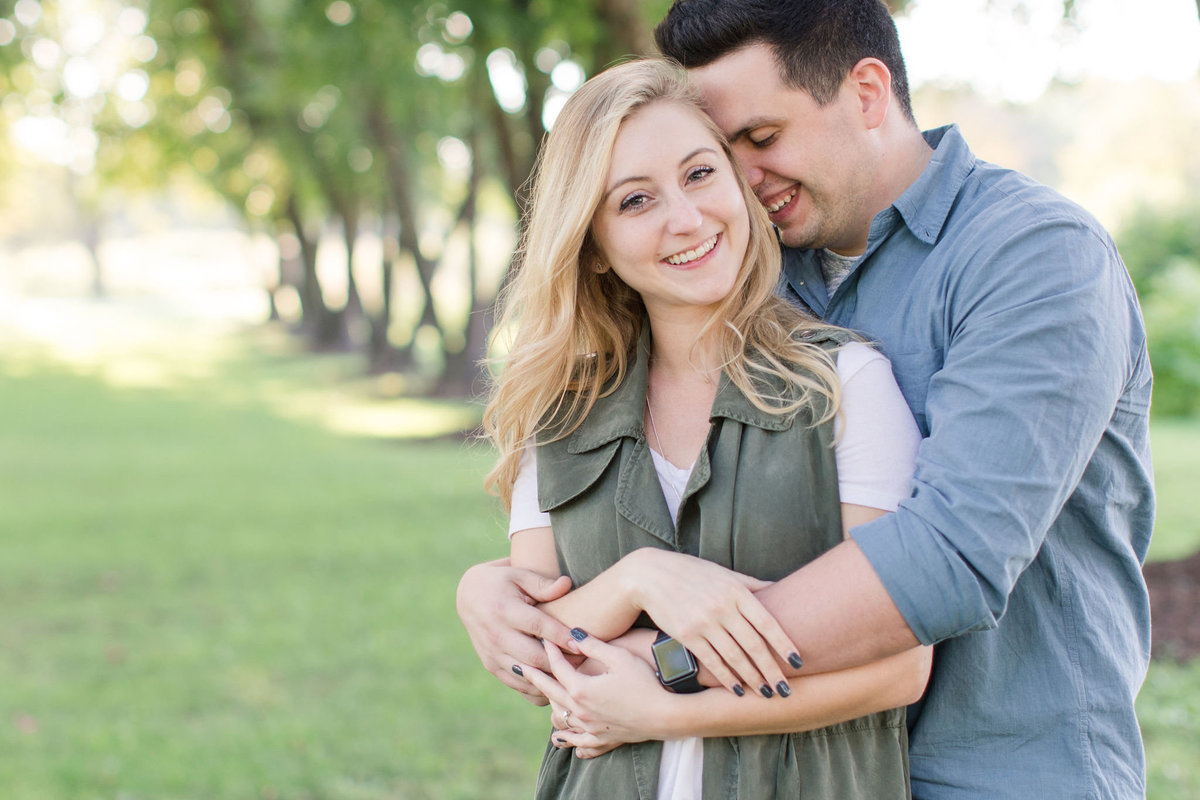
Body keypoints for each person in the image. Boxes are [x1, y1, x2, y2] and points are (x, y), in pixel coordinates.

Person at [458, 1, 1155, 797]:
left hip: (1002, 772)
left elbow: (949, 558)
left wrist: (652, 662)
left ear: (866, 94)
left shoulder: (1034, 258)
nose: (743, 181)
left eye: (760, 139)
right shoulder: (763, 272)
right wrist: (496, 595)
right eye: (727, 152)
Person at [477, 57, 930, 799]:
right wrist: (641, 580)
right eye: (634, 201)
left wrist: (662, 707)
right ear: (592, 248)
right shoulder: (560, 414)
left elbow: (902, 666)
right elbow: (534, 652)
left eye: (698, 174)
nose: (685, 219)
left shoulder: (845, 385)